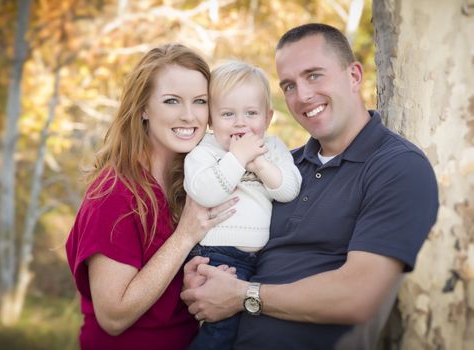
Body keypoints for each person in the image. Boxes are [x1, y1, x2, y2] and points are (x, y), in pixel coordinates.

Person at [181, 23, 439, 350]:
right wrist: (202, 279)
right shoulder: (283, 165)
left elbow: (357, 297)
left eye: (315, 75)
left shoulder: (397, 167)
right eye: (289, 85)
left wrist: (243, 296)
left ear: (355, 76)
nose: (302, 95)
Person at [65, 43, 238, 350]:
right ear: (144, 107)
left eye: (199, 101)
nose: (189, 116)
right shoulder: (115, 193)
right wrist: (185, 235)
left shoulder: (199, 182)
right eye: (172, 101)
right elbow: (113, 316)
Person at [183, 61, 302, 349]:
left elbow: (288, 190)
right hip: (217, 255)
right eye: (227, 114)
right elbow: (205, 194)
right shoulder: (203, 152)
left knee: (251, 329)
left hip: (260, 259)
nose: (240, 123)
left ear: (268, 118)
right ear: (211, 120)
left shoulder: (272, 149)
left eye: (251, 113)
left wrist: (259, 163)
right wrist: (236, 158)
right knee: (221, 332)